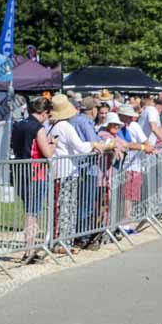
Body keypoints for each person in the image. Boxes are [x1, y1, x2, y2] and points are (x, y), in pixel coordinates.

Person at [47, 94, 109, 253]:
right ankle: (63, 243)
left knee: (64, 207)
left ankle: (63, 242)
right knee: (67, 208)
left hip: (61, 171)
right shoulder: (65, 126)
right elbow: (80, 147)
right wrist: (94, 144)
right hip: (67, 171)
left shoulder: (53, 125)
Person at [10, 97, 56, 263]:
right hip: (36, 173)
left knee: (29, 210)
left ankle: (28, 250)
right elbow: (48, 153)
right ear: (44, 113)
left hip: (19, 172)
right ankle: (28, 251)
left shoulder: (18, 125)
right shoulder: (38, 127)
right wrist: (53, 144)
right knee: (32, 213)